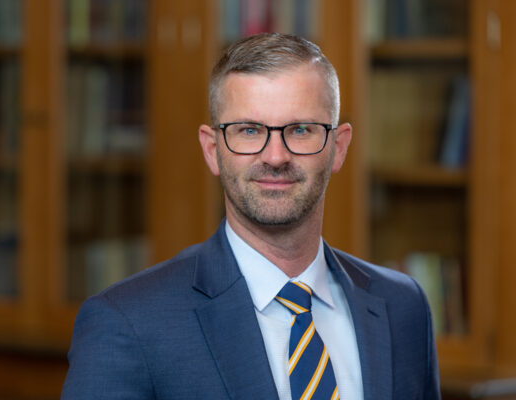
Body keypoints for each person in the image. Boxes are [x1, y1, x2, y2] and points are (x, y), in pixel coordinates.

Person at [62, 33, 441, 400]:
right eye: (248, 130)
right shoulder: (127, 323)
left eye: (301, 130)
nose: (275, 157)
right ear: (212, 150)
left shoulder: (403, 308)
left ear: (338, 147)